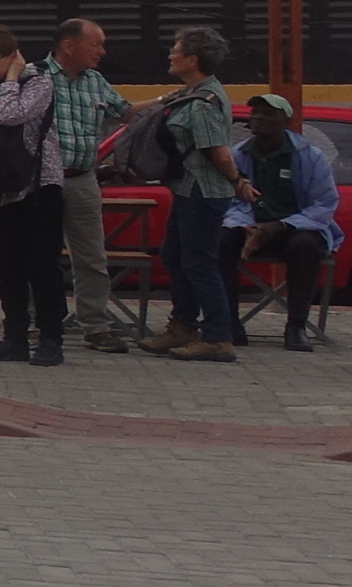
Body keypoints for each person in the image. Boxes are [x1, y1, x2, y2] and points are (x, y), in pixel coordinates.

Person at [0, 26, 70, 366]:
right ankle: (14, 338)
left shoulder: (38, 82)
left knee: (41, 265)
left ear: (12, 57)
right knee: (5, 265)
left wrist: (10, 79)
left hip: (36, 187)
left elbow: (10, 115)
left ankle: (50, 338)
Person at [138, 24, 244, 362]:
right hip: (186, 188)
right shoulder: (190, 94)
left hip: (204, 191)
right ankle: (182, 326)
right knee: (174, 255)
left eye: (176, 49)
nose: (170, 55)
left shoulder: (205, 102)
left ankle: (217, 337)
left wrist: (237, 180)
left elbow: (219, 152)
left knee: (199, 262)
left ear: (193, 59)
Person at [222, 91, 338, 352]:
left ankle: (296, 326)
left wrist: (281, 225)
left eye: (268, 114)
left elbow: (324, 204)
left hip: (295, 228)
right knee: (221, 241)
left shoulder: (311, 157)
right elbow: (228, 201)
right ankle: (229, 323)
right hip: (250, 227)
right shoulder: (238, 155)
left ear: (285, 121)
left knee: (305, 247)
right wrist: (243, 225)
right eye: (255, 113)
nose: (258, 118)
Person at [42, 17, 132, 351]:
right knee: (41, 255)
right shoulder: (35, 77)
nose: (102, 52)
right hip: (43, 182)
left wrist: (169, 100)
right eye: (96, 44)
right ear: (69, 45)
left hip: (83, 179)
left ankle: (95, 326)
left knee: (92, 256)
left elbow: (125, 112)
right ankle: (40, 321)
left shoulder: (96, 81)